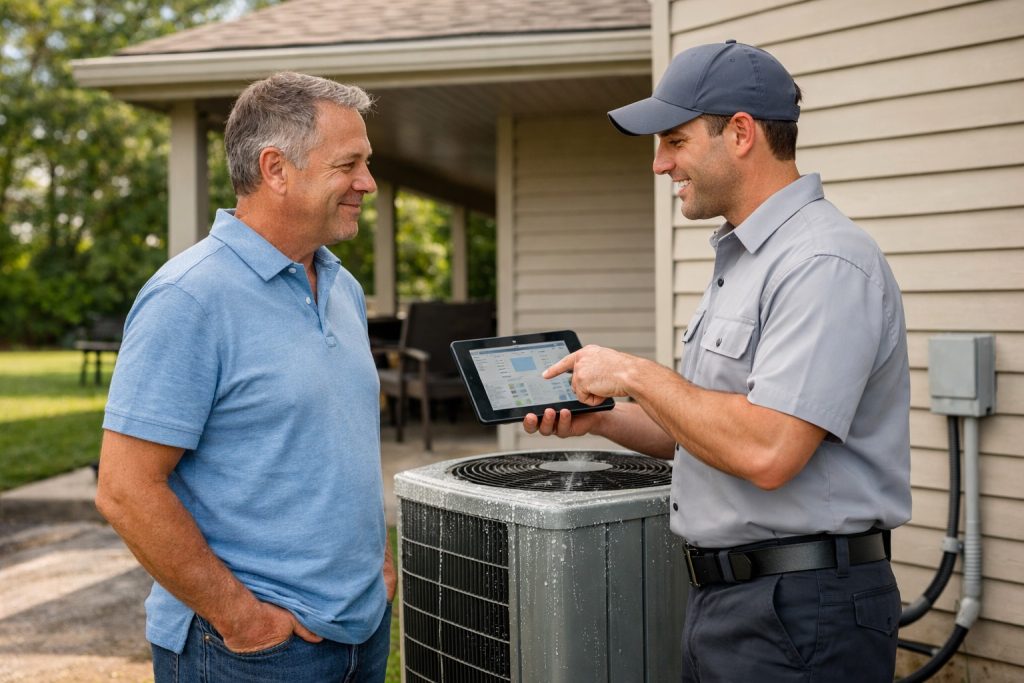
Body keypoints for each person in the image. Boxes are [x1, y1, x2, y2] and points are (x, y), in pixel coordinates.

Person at [524, 40, 911, 681]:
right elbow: (712, 430)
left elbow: (766, 451)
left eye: (673, 141)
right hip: (733, 603)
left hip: (802, 612)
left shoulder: (822, 263)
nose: (658, 165)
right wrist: (606, 419)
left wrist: (637, 374)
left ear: (739, 133)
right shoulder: (749, 260)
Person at [96, 72, 395, 682]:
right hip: (249, 652)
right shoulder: (189, 298)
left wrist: (376, 565)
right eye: (350, 164)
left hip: (361, 631)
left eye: (367, 163)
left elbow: (336, 442)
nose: (367, 183)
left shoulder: (343, 288)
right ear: (276, 169)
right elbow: (126, 489)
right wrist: (244, 621)